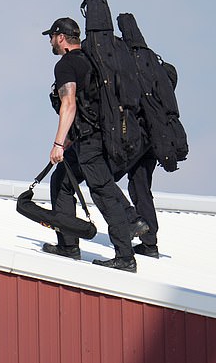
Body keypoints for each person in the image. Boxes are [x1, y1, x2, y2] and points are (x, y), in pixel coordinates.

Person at [40, 17, 146, 272]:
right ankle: (68, 245)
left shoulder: (66, 64)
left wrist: (57, 143)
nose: (51, 43)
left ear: (61, 37)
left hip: (91, 143)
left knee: (104, 194)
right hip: (96, 137)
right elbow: (91, 106)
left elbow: (70, 103)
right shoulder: (91, 61)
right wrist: (68, 140)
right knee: (62, 181)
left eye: (52, 37)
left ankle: (125, 256)